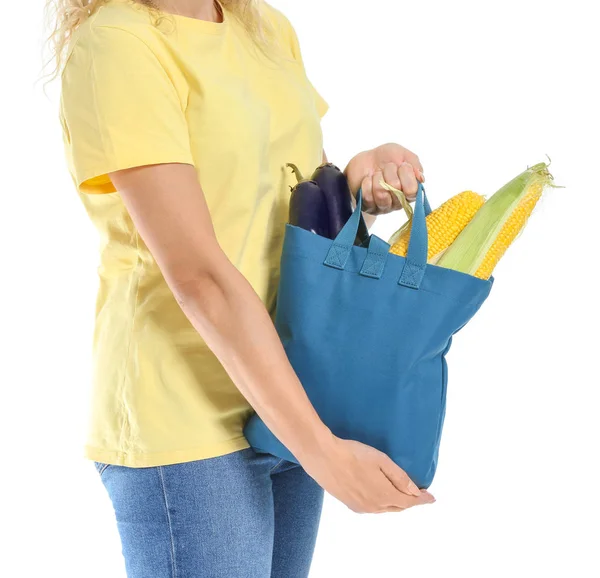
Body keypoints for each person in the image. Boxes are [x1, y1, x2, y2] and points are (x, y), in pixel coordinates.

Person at [48, 0, 434, 575]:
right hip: (186, 416)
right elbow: (197, 274)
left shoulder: (266, 29)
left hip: (288, 394)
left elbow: (301, 217)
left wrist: (358, 183)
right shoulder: (120, 44)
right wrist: (322, 451)